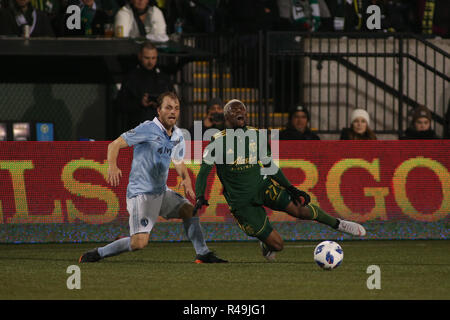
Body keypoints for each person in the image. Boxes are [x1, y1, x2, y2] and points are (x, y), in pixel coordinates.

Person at [194, 99, 366, 261]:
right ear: (226, 117)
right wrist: (200, 195)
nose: (240, 111)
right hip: (242, 202)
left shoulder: (256, 135)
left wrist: (291, 188)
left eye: (242, 109)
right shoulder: (216, 142)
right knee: (278, 245)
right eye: (234, 110)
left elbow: (269, 165)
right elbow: (203, 172)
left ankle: (339, 224)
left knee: (300, 209)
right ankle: (266, 242)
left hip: (263, 187)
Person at [79, 91, 227, 264]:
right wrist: (112, 165)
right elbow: (115, 144)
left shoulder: (178, 134)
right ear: (159, 110)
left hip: (161, 192)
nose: (173, 112)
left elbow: (178, 160)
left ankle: (203, 253)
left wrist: (186, 178)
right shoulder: (147, 128)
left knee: (189, 210)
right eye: (168, 108)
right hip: (141, 195)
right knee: (138, 243)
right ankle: (99, 253)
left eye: (177, 108)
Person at [115, 41, 174, 133]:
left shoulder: (164, 78)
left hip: (160, 131)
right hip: (137, 130)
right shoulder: (131, 78)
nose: (150, 62)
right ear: (140, 56)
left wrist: (162, 104)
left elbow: (174, 102)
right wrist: (140, 102)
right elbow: (121, 104)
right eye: (147, 58)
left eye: (153, 58)